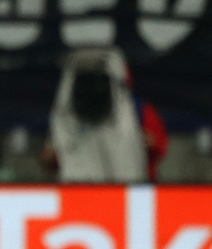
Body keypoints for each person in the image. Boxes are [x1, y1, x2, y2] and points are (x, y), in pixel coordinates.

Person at [42, 47, 150, 183]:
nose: (91, 88)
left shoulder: (131, 111)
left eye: (99, 82)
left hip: (118, 190)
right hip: (80, 192)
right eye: (85, 83)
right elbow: (48, 158)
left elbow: (155, 145)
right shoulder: (64, 117)